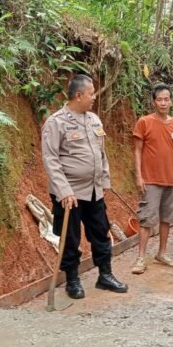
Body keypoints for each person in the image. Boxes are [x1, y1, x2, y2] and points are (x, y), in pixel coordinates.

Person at [41, 74, 128, 299]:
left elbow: (101, 154)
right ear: (78, 95)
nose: (94, 98)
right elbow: (50, 160)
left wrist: (104, 180)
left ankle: (105, 275)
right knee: (70, 237)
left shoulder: (94, 120)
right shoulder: (56, 122)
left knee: (100, 232)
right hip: (69, 194)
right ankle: (72, 280)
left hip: (94, 190)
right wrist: (64, 191)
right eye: (91, 94)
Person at [131, 82, 173, 274]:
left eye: (166, 99)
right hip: (151, 179)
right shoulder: (144, 122)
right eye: (159, 99)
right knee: (147, 219)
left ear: (171, 101)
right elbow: (138, 151)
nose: (163, 103)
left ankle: (162, 253)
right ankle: (140, 258)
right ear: (154, 102)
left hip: (172, 179)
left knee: (167, 218)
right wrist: (139, 176)